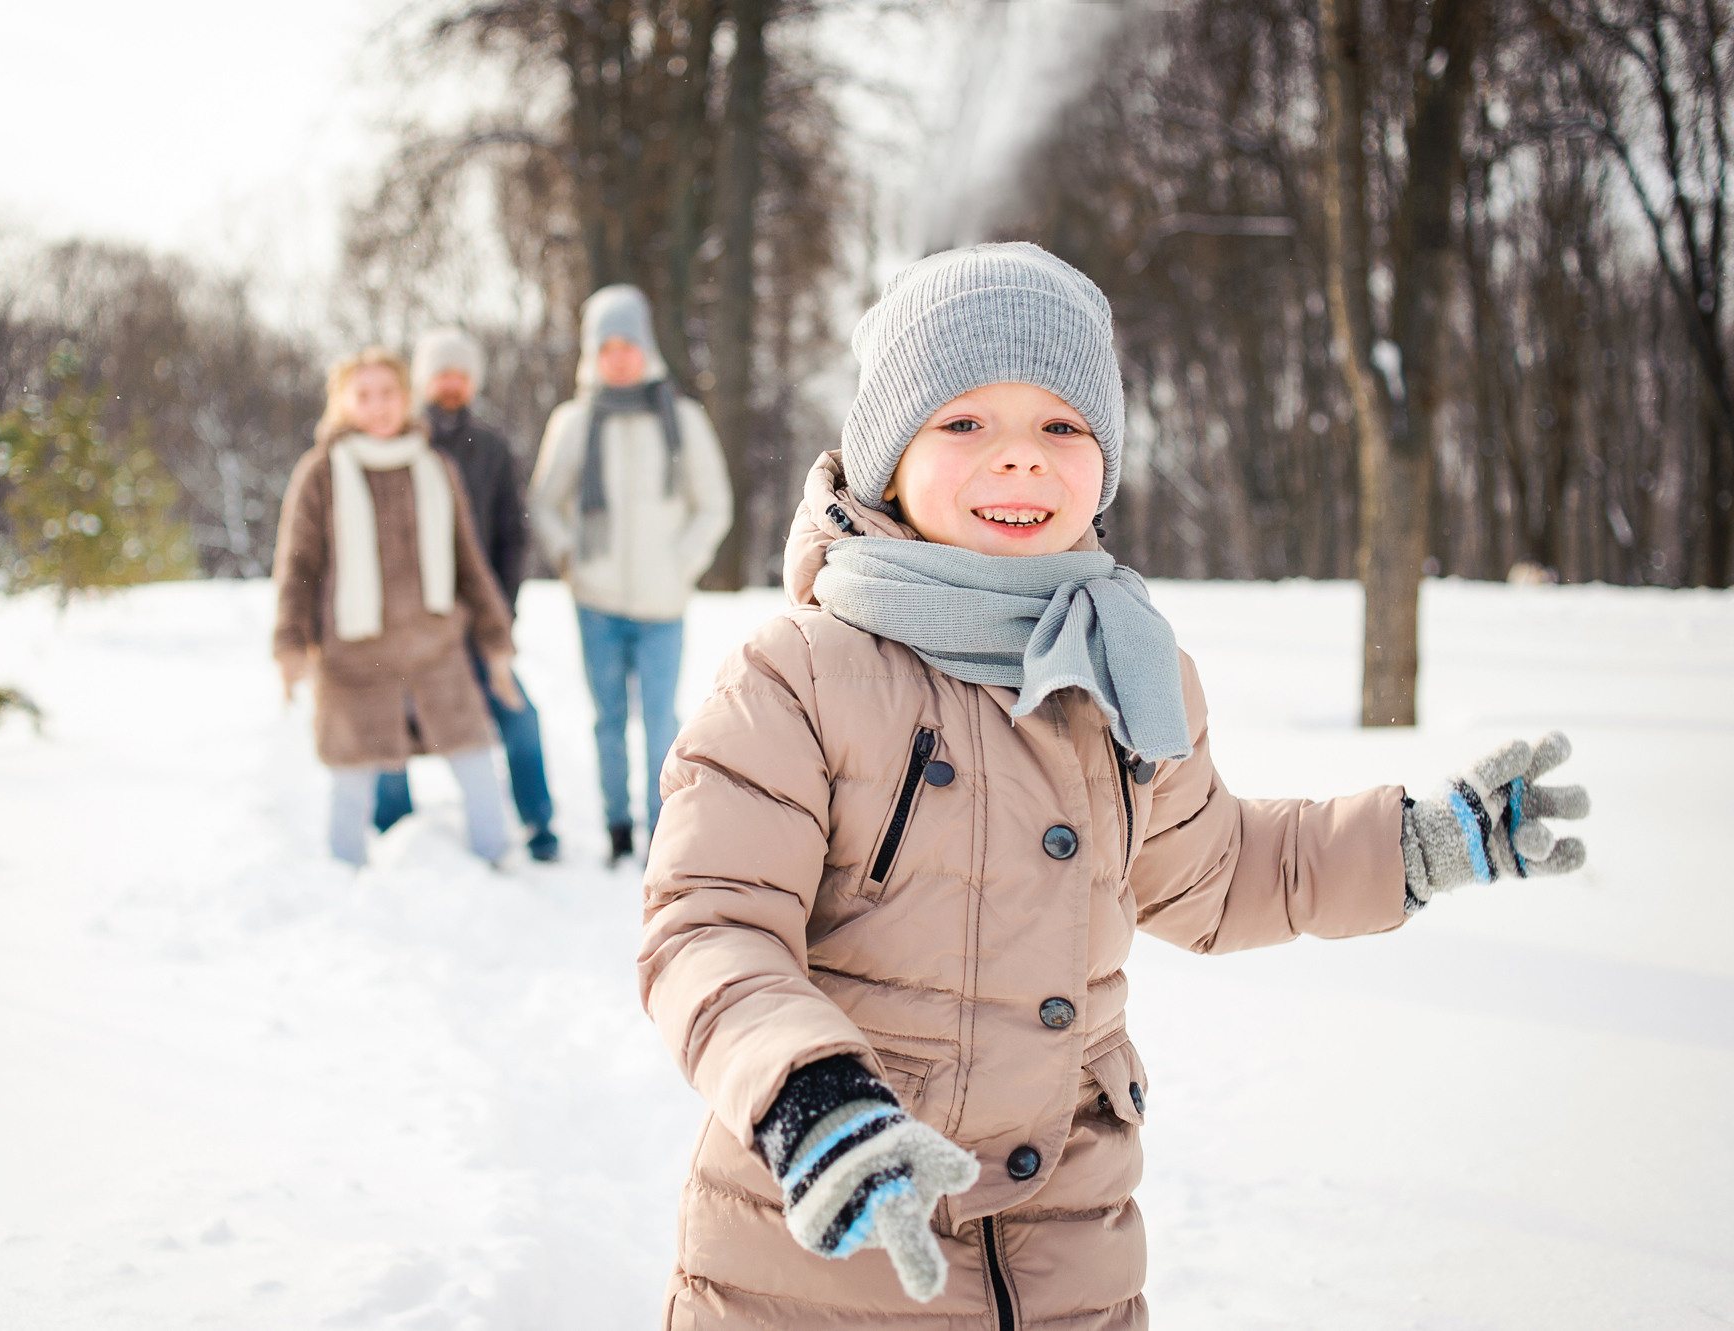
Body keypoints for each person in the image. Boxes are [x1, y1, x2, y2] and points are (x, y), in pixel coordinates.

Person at [637, 243, 1592, 1326]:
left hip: (1065, 1263)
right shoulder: (801, 673)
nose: (1020, 457)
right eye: (964, 421)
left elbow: (1216, 875)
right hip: (823, 1254)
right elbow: (707, 925)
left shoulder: (1125, 669)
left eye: (1062, 426)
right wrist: (806, 1091)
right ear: (887, 459)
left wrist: (1413, 845)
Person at [273, 347, 524, 868]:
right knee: (350, 781)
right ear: (343, 402)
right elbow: (298, 568)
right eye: (364, 395)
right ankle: (344, 879)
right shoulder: (320, 473)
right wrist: (290, 644)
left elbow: (469, 564)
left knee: (476, 763)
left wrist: (496, 638)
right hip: (354, 658)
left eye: (388, 393)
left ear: (406, 397)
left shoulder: (435, 466)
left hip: (436, 652)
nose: (378, 405)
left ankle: (496, 866)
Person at [529, 284, 731, 865]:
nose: (618, 358)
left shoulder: (682, 419)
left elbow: (714, 505)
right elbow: (544, 502)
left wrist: (681, 564)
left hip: (662, 605)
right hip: (596, 601)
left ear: (646, 348)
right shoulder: (573, 421)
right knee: (609, 721)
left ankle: (660, 831)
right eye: (606, 347)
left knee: (662, 721)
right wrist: (570, 559)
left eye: (628, 345)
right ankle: (616, 826)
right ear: (591, 354)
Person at [370, 329, 560, 863]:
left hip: (475, 628)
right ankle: (393, 829)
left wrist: (499, 612)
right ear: (423, 381)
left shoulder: (492, 449)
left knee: (521, 719)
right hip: (405, 627)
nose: (451, 384)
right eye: (441, 374)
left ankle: (539, 824)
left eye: (460, 374)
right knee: (386, 714)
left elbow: (512, 536)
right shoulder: (399, 444)